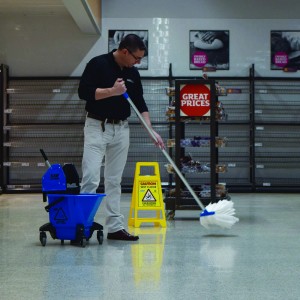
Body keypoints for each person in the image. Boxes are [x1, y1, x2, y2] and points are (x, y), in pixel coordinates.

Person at [78, 34, 164, 241]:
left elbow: (140, 103)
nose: (138, 62)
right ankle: (81, 226)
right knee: (90, 177)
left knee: (114, 180)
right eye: (136, 58)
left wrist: (150, 129)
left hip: (121, 129)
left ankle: (115, 227)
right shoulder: (98, 64)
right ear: (125, 51)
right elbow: (84, 93)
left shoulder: (133, 73)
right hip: (97, 126)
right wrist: (113, 91)